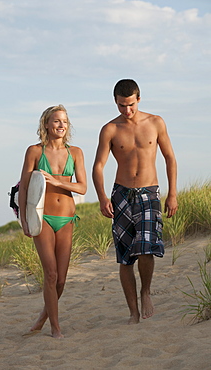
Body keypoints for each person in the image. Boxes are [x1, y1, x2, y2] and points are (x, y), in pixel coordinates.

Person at [92, 79, 177, 324]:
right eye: (121, 106)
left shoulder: (155, 122)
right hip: (121, 194)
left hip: (149, 193)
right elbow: (98, 166)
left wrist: (172, 194)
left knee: (146, 248)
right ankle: (133, 312)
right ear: (115, 102)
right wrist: (101, 197)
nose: (126, 111)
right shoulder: (110, 129)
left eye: (130, 105)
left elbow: (170, 158)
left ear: (139, 99)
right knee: (125, 256)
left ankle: (146, 291)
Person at [19, 104, 87, 338]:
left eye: (65, 122)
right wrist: (23, 220)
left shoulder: (75, 152)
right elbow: (25, 187)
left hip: (67, 218)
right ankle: (55, 328)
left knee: (62, 280)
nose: (61, 125)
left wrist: (57, 182)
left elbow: (82, 187)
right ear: (46, 124)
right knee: (50, 275)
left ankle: (42, 316)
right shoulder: (34, 152)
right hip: (42, 218)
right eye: (56, 121)